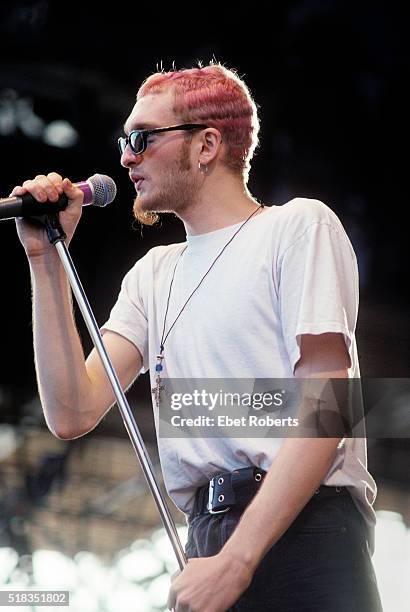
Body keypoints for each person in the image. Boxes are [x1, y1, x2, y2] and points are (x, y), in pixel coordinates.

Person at [12, 63, 383, 611]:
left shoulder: (297, 227)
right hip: (206, 539)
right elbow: (70, 411)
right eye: (124, 141)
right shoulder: (153, 274)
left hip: (303, 529)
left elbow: (329, 404)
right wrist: (45, 262)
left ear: (207, 144)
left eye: (142, 138)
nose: (126, 157)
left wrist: (240, 559)